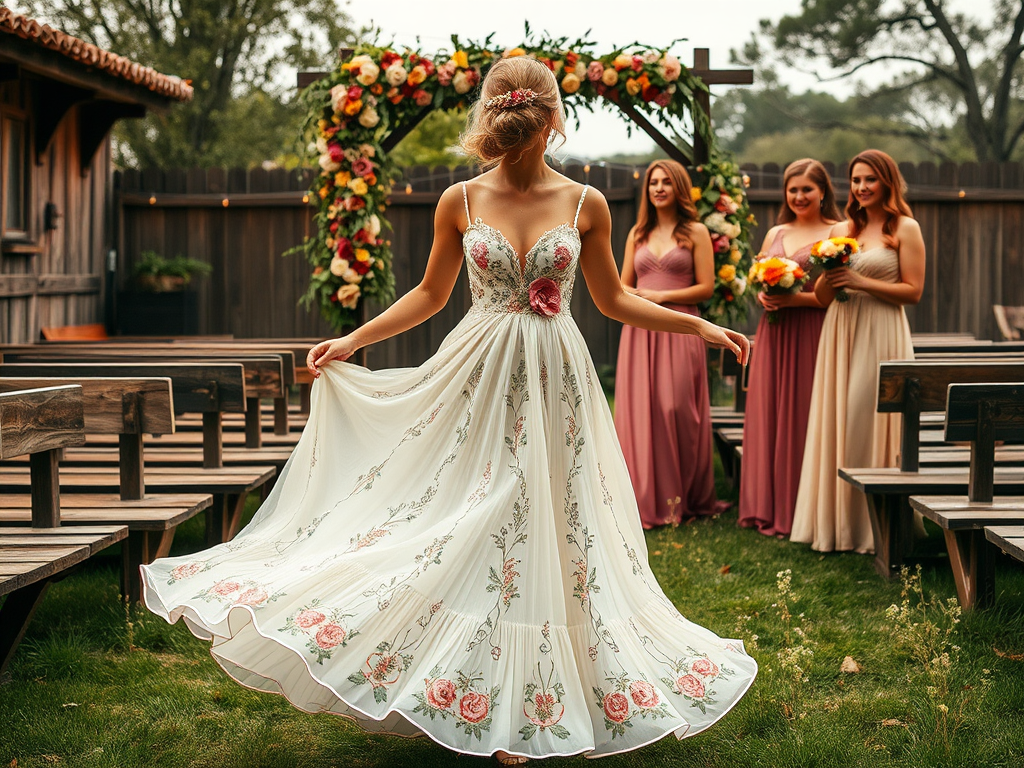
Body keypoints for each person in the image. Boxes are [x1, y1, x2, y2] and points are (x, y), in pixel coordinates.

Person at [140, 56, 756, 763]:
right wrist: (354, 339)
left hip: (556, 379)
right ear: (554, 118)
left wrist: (701, 325)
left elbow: (614, 299)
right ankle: (491, 697)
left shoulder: (587, 203)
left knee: (548, 520)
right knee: (480, 514)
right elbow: (430, 296)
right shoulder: (459, 201)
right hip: (480, 373)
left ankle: (539, 697)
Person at [791, 149, 924, 553]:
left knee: (869, 416)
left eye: (870, 179)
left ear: (887, 181)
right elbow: (822, 295)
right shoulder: (841, 231)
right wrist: (831, 275)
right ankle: (838, 523)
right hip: (841, 329)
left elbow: (913, 292)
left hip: (883, 331)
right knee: (841, 416)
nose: (861, 187)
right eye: (855, 180)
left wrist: (860, 281)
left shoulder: (905, 228)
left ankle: (875, 526)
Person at [613, 160, 719, 528]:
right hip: (641, 330)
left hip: (682, 327)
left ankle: (682, 498)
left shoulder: (696, 233)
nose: (658, 188)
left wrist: (663, 297)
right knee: (643, 411)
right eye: (653, 182)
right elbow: (620, 285)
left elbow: (707, 287)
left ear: (679, 188)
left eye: (666, 183)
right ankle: (643, 499)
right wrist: (640, 297)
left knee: (677, 408)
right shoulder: (637, 235)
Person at [738, 159, 840, 537]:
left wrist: (794, 301)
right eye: (792, 190)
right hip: (774, 332)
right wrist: (764, 295)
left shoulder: (837, 231)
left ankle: (803, 504)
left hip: (812, 330)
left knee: (804, 411)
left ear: (823, 191)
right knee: (770, 409)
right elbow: (760, 277)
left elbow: (834, 296)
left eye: (806, 190)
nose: (799, 196)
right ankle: (768, 503)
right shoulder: (776, 231)